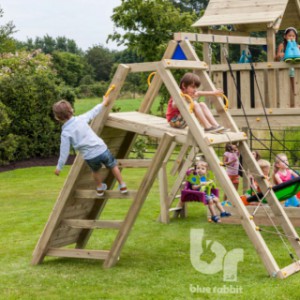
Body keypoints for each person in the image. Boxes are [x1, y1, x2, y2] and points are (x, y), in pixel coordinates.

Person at [52, 97, 127, 197]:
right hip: (101, 149)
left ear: (57, 117)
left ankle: (100, 188)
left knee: (95, 171)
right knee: (113, 165)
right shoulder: (81, 119)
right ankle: (122, 185)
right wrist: (104, 102)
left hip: (90, 156)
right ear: (71, 110)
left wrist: (59, 167)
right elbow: (93, 112)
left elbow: (64, 151)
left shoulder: (65, 133)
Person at [275, 27, 300, 95]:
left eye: (293, 36)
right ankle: (289, 92)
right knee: (284, 82)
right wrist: (279, 55)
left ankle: (294, 91)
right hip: (284, 67)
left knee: (294, 78)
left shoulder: (297, 46)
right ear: (285, 36)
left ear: (295, 37)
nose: (291, 37)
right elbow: (276, 58)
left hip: (294, 67)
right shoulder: (282, 45)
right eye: (289, 35)